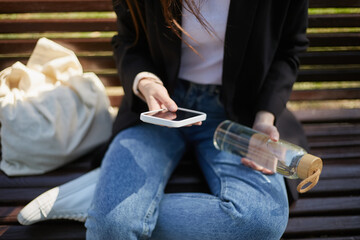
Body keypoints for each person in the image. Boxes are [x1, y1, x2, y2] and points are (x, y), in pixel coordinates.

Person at [85, 0, 309, 239]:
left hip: (239, 114)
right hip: (158, 109)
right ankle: (112, 216)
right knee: (112, 226)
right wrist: (146, 82)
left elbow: (289, 49)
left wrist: (264, 118)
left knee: (261, 220)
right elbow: (128, 41)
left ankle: (110, 214)